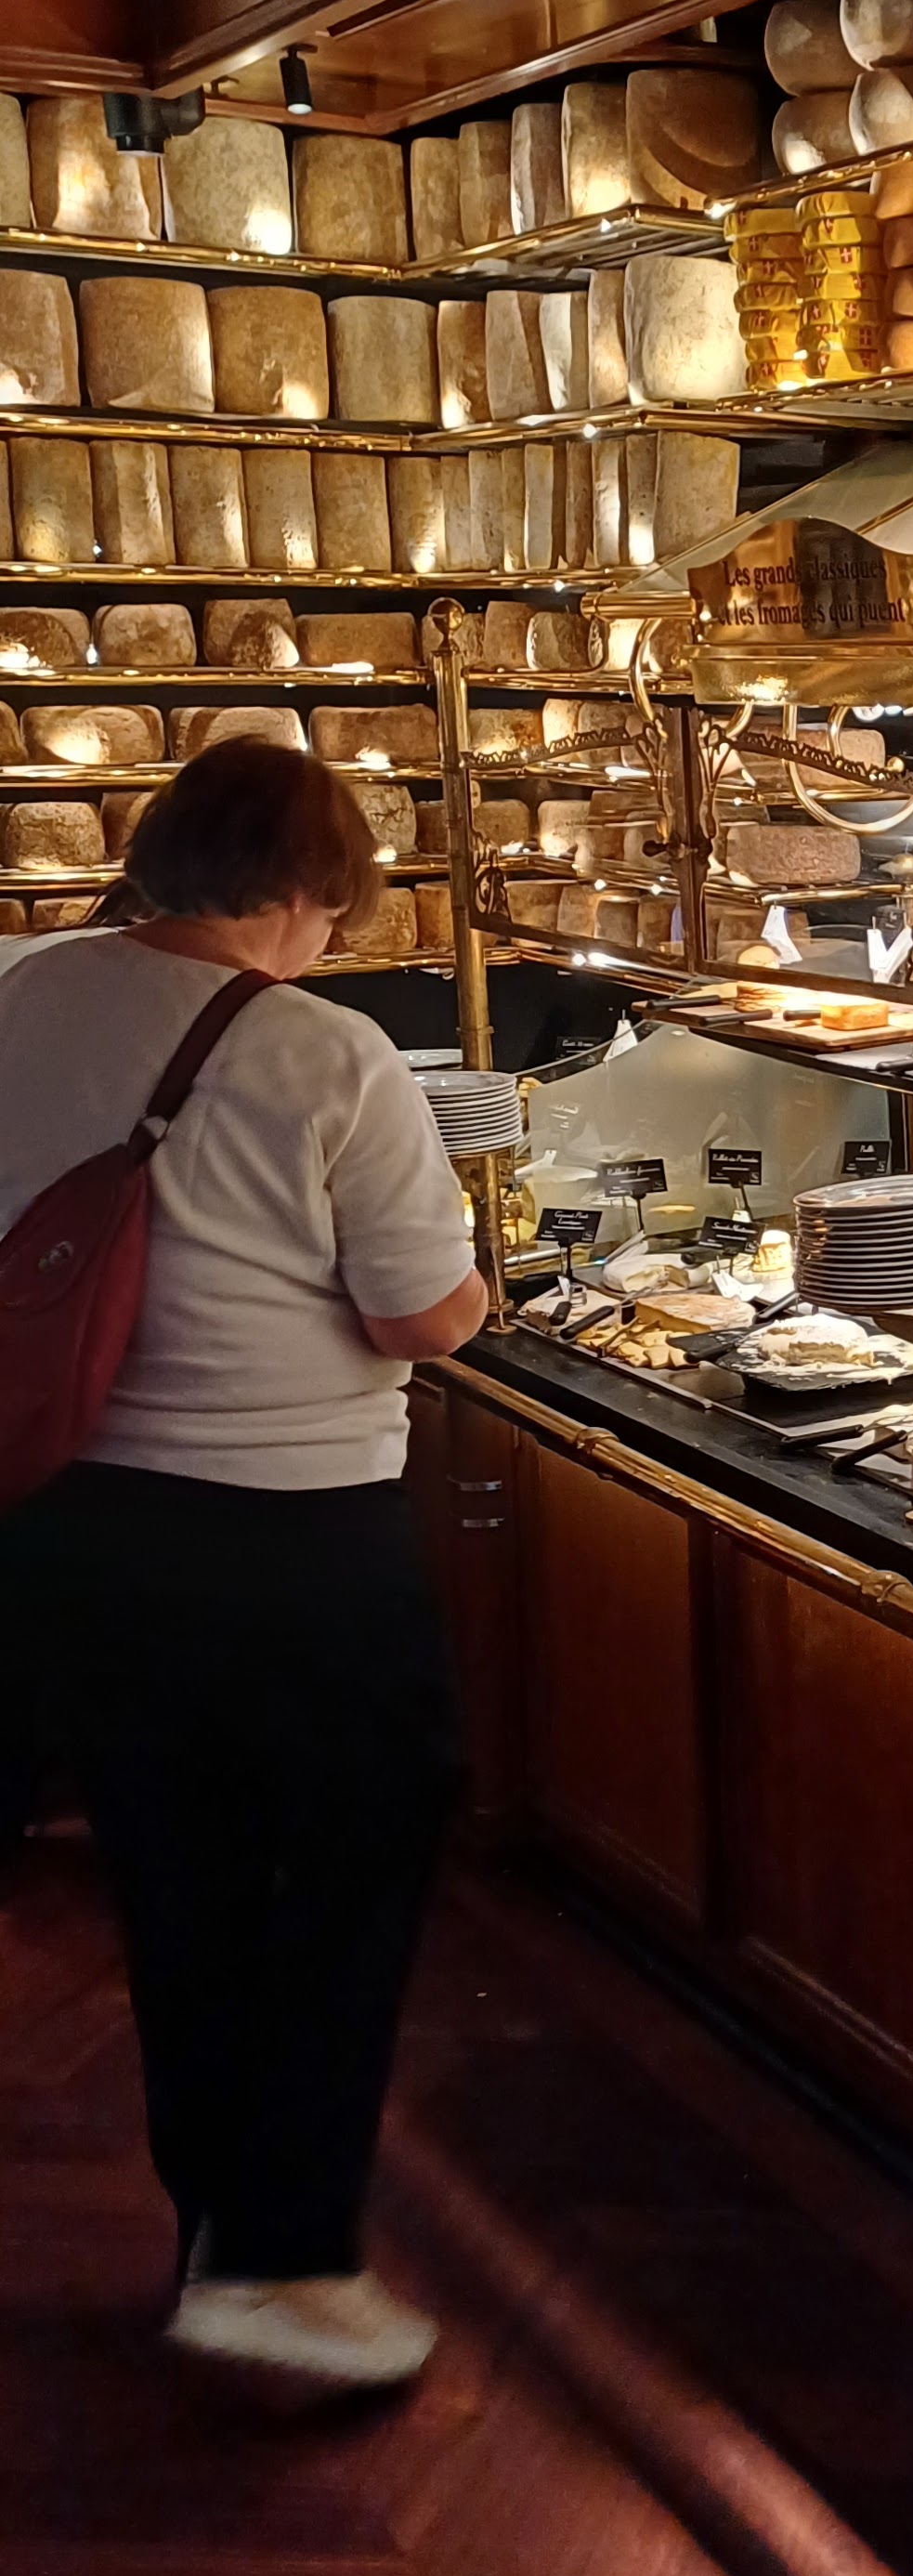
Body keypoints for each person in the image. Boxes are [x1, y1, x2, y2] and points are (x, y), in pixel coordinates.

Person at [0, 739, 488, 2391]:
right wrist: (475, 1290)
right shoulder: (325, 1052)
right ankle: (279, 2261)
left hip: (72, 1524)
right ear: (304, 892)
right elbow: (418, 1316)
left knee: (180, 1880)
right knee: (350, 1872)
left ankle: (218, 2227)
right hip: (293, 1537)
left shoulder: (25, 995)